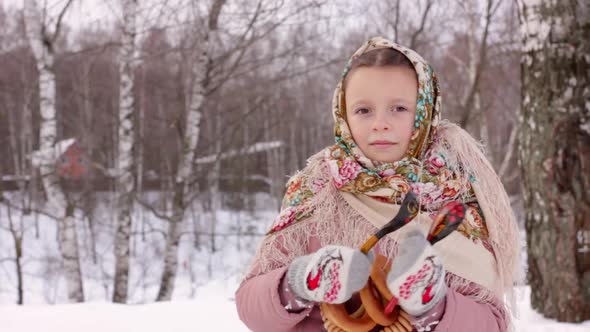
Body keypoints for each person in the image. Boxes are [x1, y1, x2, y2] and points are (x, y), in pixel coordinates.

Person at [235, 36, 520, 332]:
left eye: (398, 108)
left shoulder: (456, 198)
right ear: (343, 114)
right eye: (363, 110)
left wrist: (434, 304)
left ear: (425, 111)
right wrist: (298, 283)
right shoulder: (317, 191)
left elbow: (490, 323)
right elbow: (251, 308)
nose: (380, 123)